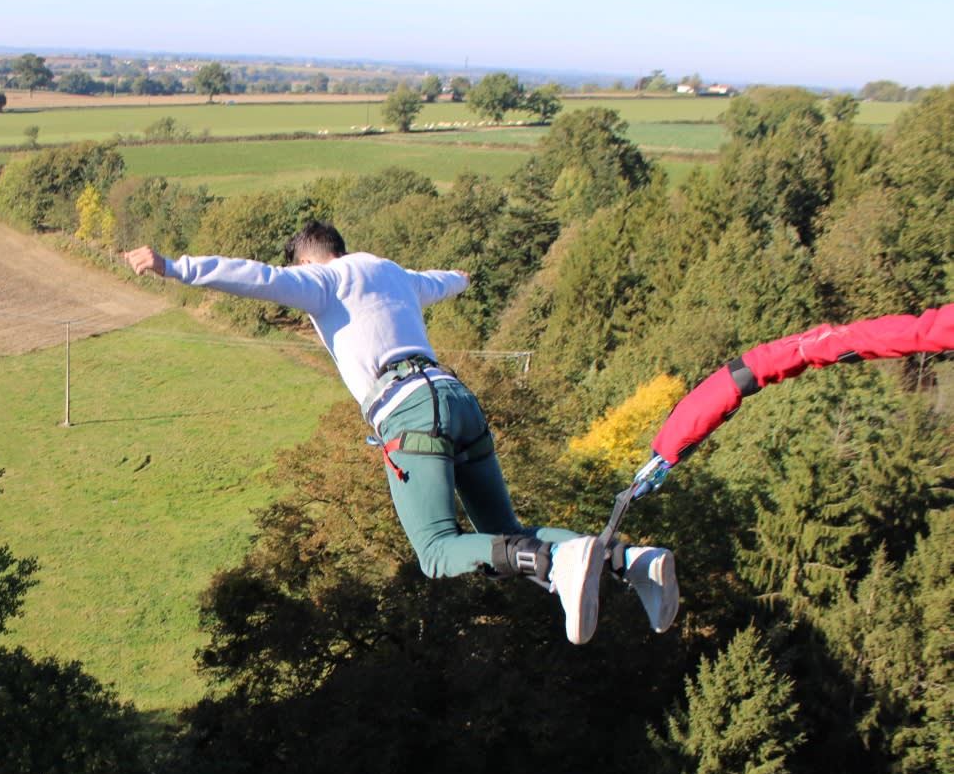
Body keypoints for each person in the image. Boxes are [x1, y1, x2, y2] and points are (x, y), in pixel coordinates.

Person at [125, 220, 678, 645]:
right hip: (457, 398)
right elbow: (439, 282)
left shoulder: (322, 280)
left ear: (309, 258)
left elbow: (259, 279)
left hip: (411, 413)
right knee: (504, 530)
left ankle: (558, 563)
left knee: (437, 551)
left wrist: (174, 266)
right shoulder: (391, 273)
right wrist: (462, 279)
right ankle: (631, 561)